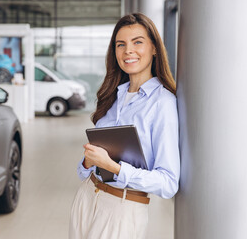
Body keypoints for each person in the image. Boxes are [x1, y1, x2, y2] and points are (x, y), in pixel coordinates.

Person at [69, 13, 180, 239]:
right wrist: (88, 161)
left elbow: (168, 183)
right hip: (87, 196)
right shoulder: (114, 95)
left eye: (137, 42)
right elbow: (85, 171)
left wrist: (116, 169)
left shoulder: (163, 103)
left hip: (122, 208)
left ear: (154, 48)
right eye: (121, 44)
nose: (128, 50)